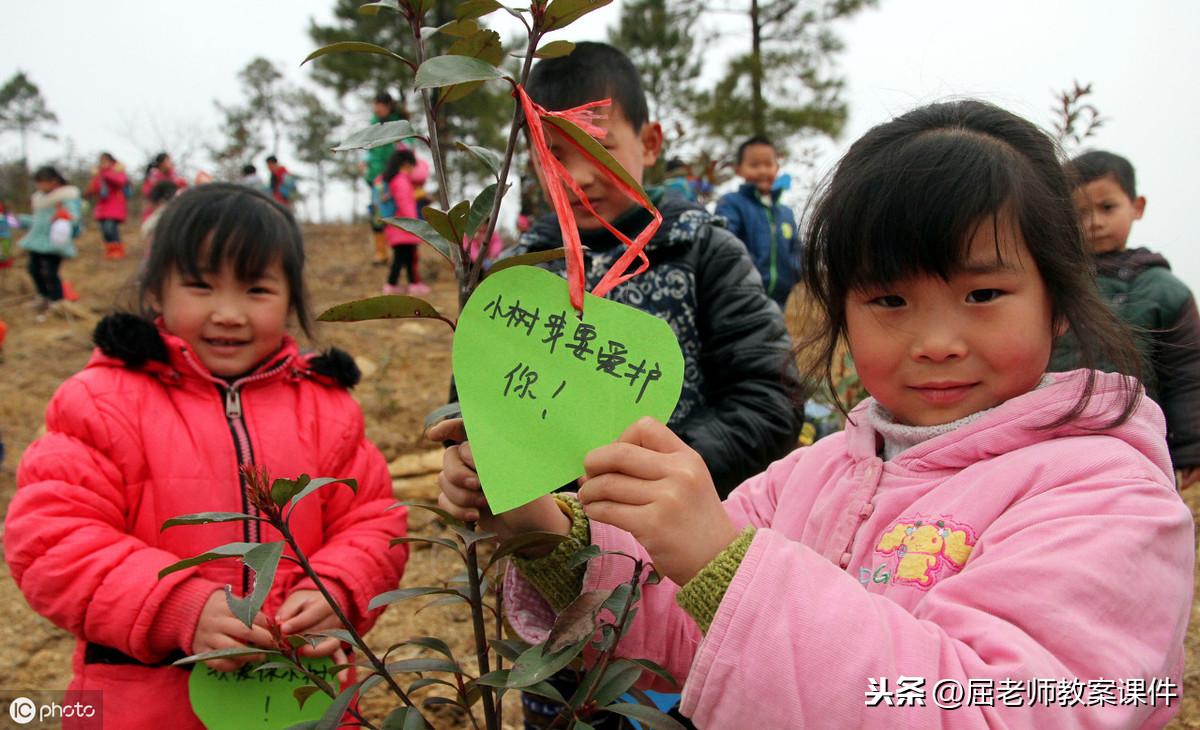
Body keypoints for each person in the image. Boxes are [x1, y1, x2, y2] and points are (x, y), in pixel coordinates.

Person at [433, 100, 1195, 728]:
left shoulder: (1107, 500)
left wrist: (724, 568)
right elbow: (689, 634)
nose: (934, 342)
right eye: (889, 301)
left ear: (1058, 303)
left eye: (982, 295)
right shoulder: (814, 474)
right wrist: (549, 531)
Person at [440, 41, 802, 728]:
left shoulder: (704, 254)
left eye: (598, 148)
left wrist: (647, 482)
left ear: (652, 140)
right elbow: (472, 417)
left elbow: (769, 399)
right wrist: (470, 471)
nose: (577, 175)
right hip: (558, 579)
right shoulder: (516, 283)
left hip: (687, 577)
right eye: (554, 154)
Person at [6, 183, 408, 730]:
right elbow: (52, 541)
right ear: (155, 293)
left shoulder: (326, 407)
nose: (228, 314)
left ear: (292, 299)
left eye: (257, 290)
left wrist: (336, 587)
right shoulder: (101, 402)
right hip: (143, 703)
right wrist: (178, 607)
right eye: (199, 286)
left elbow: (374, 522)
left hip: (299, 698)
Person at [1051, 150, 1200, 489]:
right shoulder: (1049, 285)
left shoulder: (1164, 290)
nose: (1094, 222)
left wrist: (1191, 448)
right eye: (1079, 212)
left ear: (1138, 206)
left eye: (1107, 208)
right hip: (1052, 433)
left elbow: (1188, 374)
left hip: (1137, 438)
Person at [715, 136, 802, 310]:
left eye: (768, 164)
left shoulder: (785, 213)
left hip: (779, 301)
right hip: (740, 298)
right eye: (754, 165)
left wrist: (795, 272)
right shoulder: (731, 203)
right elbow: (726, 243)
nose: (762, 170)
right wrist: (749, 274)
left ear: (777, 167)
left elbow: (797, 250)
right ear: (739, 170)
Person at [18, 166, 82, 318]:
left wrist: (63, 218)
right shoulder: (39, 198)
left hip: (53, 242)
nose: (39, 186)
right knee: (33, 269)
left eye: (42, 182)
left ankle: (57, 302)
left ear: (54, 181)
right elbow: (37, 221)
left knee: (50, 273)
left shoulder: (66, 196)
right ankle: (43, 296)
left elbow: (73, 216)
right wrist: (18, 220)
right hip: (36, 241)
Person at [378, 148, 430, 296]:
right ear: (406, 164)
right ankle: (396, 284)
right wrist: (414, 224)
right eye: (412, 166)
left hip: (399, 228)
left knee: (405, 259)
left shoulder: (394, 180)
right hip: (404, 228)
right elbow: (405, 204)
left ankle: (410, 283)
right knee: (405, 258)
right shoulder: (401, 181)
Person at [364, 92, 407, 265]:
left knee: (394, 216)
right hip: (376, 179)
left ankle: (398, 253)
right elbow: (368, 149)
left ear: (388, 105)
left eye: (379, 105)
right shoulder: (373, 125)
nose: (376, 108)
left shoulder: (399, 125)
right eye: (374, 104)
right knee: (376, 215)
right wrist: (365, 163)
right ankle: (381, 254)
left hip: (394, 179)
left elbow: (406, 148)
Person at [86, 152, 130, 259]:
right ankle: (110, 251)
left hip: (115, 205)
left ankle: (118, 250)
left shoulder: (117, 171)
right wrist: (97, 178)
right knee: (105, 231)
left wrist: (105, 173)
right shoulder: (98, 175)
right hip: (102, 207)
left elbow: (121, 182)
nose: (103, 163)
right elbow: (93, 190)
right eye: (101, 161)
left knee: (110, 228)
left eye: (105, 161)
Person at [141, 153, 187, 222]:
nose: (170, 163)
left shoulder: (174, 177)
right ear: (161, 163)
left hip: (171, 213)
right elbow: (147, 193)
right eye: (168, 160)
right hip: (154, 214)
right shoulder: (152, 177)